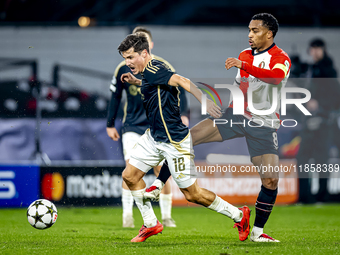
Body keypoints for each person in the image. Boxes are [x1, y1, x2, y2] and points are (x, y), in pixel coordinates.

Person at [146, 13, 290, 243]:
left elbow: (274, 78)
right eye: (249, 30)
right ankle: (157, 184)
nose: (250, 34)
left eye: (255, 30)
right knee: (187, 138)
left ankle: (257, 232)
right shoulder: (245, 55)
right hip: (236, 115)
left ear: (269, 33)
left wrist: (243, 64)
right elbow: (240, 85)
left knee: (271, 180)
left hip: (263, 123)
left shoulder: (280, 57)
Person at [117, 33, 251, 242]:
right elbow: (155, 85)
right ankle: (151, 224)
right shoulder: (148, 73)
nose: (128, 62)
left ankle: (239, 215)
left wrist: (204, 100)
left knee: (193, 194)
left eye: (131, 57)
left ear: (144, 53)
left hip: (174, 142)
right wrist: (136, 80)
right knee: (130, 176)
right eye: (125, 58)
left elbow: (182, 80)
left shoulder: (156, 68)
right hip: (154, 138)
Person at [106, 27, 188, 228]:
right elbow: (115, 96)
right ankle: (127, 216)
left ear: (149, 46)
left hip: (157, 126)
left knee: (160, 170)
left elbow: (179, 90)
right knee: (130, 168)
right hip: (132, 125)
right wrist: (110, 124)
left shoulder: (162, 66)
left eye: (143, 40)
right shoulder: (123, 68)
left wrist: (183, 114)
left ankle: (166, 216)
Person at [295, 38, 340, 203]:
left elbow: (335, 96)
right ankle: (305, 196)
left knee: (321, 159)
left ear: (323, 50)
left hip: (324, 121)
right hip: (309, 121)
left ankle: (322, 195)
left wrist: (319, 104)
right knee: (303, 158)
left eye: (317, 48)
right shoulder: (310, 71)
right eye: (312, 49)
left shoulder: (328, 70)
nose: (314, 52)